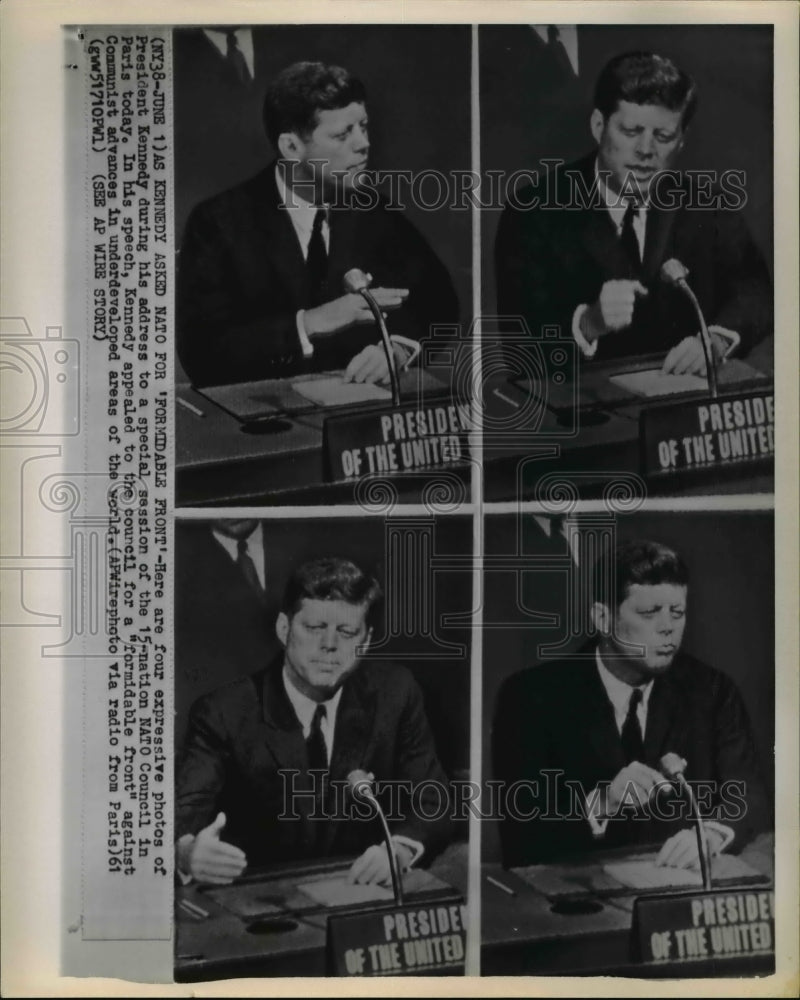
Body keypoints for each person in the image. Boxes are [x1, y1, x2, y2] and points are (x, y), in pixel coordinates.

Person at [177, 60, 458, 387]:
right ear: (291, 147)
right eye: (343, 135)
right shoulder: (218, 223)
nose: (363, 144)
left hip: (358, 416)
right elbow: (202, 354)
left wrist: (396, 349)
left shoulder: (373, 210)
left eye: (363, 126)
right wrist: (309, 324)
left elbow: (438, 302)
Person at [492, 539, 770, 869]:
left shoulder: (712, 691)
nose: (668, 627)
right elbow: (521, 832)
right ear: (603, 618)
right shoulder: (530, 697)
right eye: (649, 613)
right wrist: (602, 802)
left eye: (677, 612)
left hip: (678, 887)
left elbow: (749, 796)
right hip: (577, 900)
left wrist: (710, 833)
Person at [176, 556, 453, 885]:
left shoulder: (396, 692)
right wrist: (187, 853)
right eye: (315, 628)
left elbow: (433, 802)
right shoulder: (223, 713)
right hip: (260, 902)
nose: (330, 646)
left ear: (366, 641)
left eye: (347, 632)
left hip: (360, 893)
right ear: (284, 628)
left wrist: (400, 851)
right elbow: (184, 817)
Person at [495, 51, 772, 376]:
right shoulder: (534, 211)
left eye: (663, 136)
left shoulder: (708, 206)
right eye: (630, 131)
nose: (645, 150)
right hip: (581, 415)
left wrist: (716, 340)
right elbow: (520, 347)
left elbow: (755, 291)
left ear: (681, 141)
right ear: (599, 126)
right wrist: (589, 323)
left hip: (684, 407)